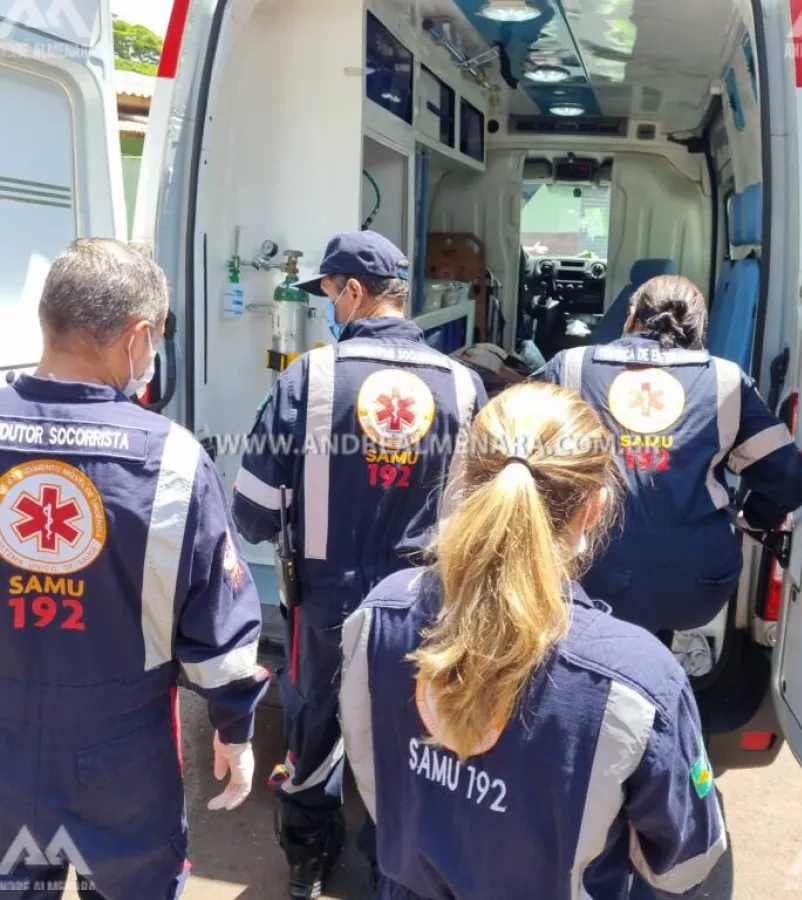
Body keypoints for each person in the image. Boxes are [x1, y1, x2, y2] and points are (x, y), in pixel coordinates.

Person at [338, 381, 727, 899]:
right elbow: (683, 866)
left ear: (463, 482)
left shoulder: (380, 615)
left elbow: (373, 779)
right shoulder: (638, 680)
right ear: (595, 508)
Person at [0, 238, 270, 899]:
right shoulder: (172, 460)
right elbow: (219, 632)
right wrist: (235, 730)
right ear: (138, 337)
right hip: (120, 763)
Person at [231, 230, 488, 899]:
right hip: (427, 605)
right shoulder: (464, 385)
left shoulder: (309, 378)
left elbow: (254, 510)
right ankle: (393, 866)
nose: (328, 309)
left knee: (315, 724)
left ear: (353, 290)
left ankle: (307, 860)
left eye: (329, 295)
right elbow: (484, 509)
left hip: (326, 601)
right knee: (410, 733)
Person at [539, 274, 802, 641]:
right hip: (696, 583)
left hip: (589, 575)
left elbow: (505, 440)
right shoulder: (725, 380)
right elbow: (789, 476)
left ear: (632, 315)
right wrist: (756, 515)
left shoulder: (570, 367)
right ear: (700, 328)